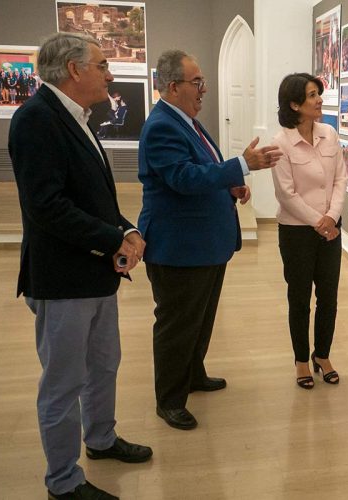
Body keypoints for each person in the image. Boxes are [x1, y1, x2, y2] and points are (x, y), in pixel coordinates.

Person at [8, 32, 152, 500]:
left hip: (95, 274)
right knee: (63, 383)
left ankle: (102, 439)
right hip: (62, 280)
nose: (110, 74)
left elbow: (95, 199)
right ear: (73, 70)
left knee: (104, 364)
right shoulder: (35, 120)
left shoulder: (77, 118)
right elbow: (47, 206)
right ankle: (63, 482)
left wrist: (125, 228)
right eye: (102, 65)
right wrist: (116, 236)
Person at [138, 49, 281, 430]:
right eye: (197, 82)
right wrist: (242, 166)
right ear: (173, 87)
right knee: (177, 325)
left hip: (203, 245)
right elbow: (182, 179)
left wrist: (230, 186)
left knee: (199, 319)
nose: (204, 90)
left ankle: (193, 373)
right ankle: (169, 399)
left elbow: (202, 171)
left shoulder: (187, 121)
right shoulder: (162, 126)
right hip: (179, 248)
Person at [271, 73, 347, 389]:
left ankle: (323, 355)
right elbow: (286, 194)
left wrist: (331, 217)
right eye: (312, 95)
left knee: (328, 297)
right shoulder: (280, 143)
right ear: (294, 104)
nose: (319, 100)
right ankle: (302, 360)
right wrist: (320, 222)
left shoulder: (329, 134)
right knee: (300, 298)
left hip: (330, 228)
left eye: (318, 93)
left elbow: (341, 179)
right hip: (297, 233)